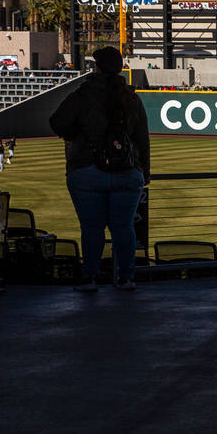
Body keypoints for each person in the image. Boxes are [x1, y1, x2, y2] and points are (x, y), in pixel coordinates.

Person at [49, 46, 150, 292]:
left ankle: (90, 278)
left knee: (92, 229)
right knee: (123, 228)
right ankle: (126, 278)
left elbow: (57, 122)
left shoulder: (83, 94)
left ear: (98, 67)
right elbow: (142, 139)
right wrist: (144, 172)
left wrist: (75, 135)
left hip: (86, 170)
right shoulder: (131, 97)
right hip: (127, 173)